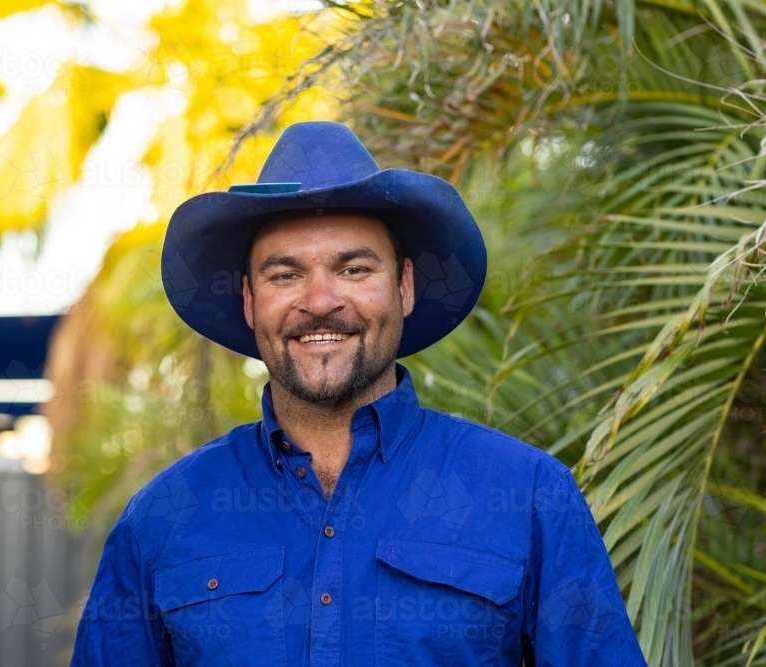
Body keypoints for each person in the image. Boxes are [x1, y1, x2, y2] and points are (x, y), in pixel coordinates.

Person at [70, 121, 647, 666]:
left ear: (404, 288)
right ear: (249, 301)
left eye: (353, 270)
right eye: (285, 274)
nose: (320, 301)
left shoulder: (529, 497)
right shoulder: (164, 518)